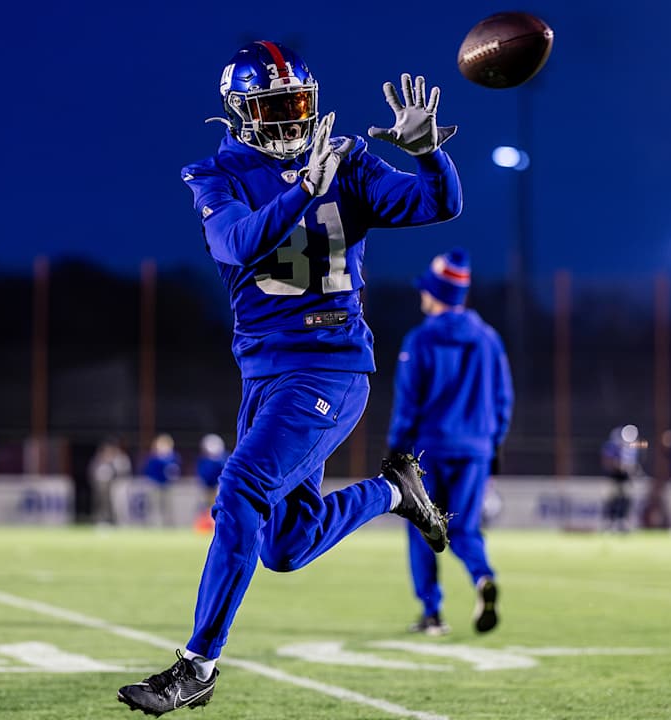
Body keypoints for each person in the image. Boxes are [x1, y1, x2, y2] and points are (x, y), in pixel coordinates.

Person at [117, 40, 460, 715]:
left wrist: (427, 153)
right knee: (286, 545)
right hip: (267, 375)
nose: (291, 120)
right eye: (275, 107)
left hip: (331, 365)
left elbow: (436, 204)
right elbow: (237, 244)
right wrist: (304, 189)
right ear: (241, 112)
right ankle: (393, 493)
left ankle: (198, 666)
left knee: (240, 487)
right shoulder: (216, 175)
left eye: (299, 104)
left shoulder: (348, 162)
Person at [387, 248, 512, 636]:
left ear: (436, 293)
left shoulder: (420, 340)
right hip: (476, 449)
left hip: (429, 449)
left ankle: (432, 613)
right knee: (466, 529)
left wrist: (395, 450)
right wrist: (494, 445)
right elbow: (503, 399)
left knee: (422, 528)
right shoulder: (489, 339)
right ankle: (482, 577)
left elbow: (408, 404)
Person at [601, 425, 643, 532]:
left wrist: (633, 469)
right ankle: (609, 522)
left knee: (626, 500)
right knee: (612, 500)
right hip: (614, 477)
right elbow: (609, 461)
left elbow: (644, 445)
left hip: (626, 478)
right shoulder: (613, 446)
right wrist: (621, 466)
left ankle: (622, 521)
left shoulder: (633, 446)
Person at [88, 437, 132, 525]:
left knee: (119, 505)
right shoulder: (99, 458)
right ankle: (103, 520)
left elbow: (125, 472)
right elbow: (92, 472)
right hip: (102, 487)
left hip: (118, 486)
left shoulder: (121, 458)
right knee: (102, 505)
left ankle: (120, 521)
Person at [143, 434, 181, 526]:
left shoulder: (173, 457)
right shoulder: (154, 458)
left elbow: (176, 471)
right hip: (156, 485)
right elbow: (148, 471)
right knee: (155, 506)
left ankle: (169, 525)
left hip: (168, 485)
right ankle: (155, 525)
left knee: (168, 507)